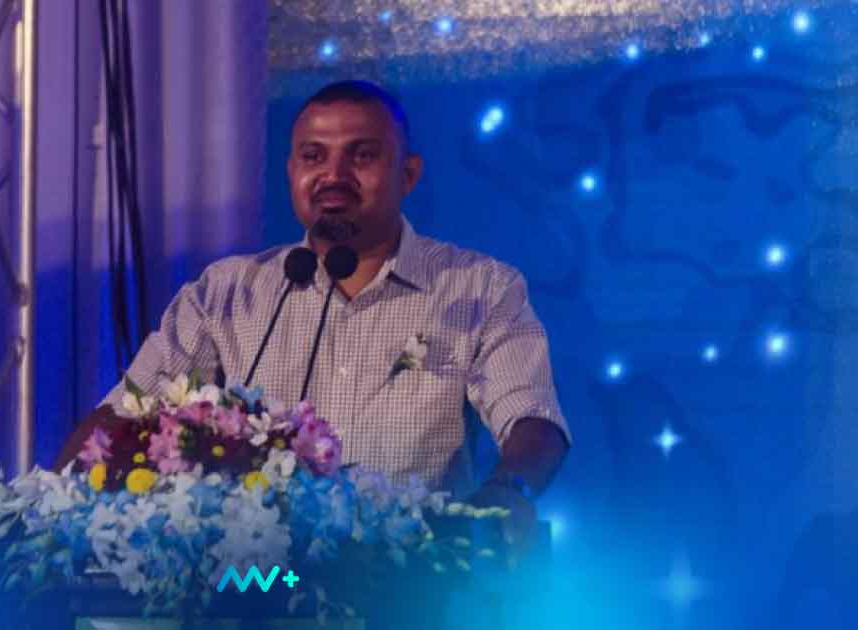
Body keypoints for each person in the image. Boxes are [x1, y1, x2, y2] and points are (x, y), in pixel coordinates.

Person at [56, 80, 570, 564]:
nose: (334, 175)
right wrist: (48, 507)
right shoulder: (225, 293)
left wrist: (508, 490)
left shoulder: (480, 288)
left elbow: (532, 417)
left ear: (408, 175)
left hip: (408, 581)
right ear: (291, 171)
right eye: (313, 156)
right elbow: (121, 417)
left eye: (362, 155)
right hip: (257, 583)